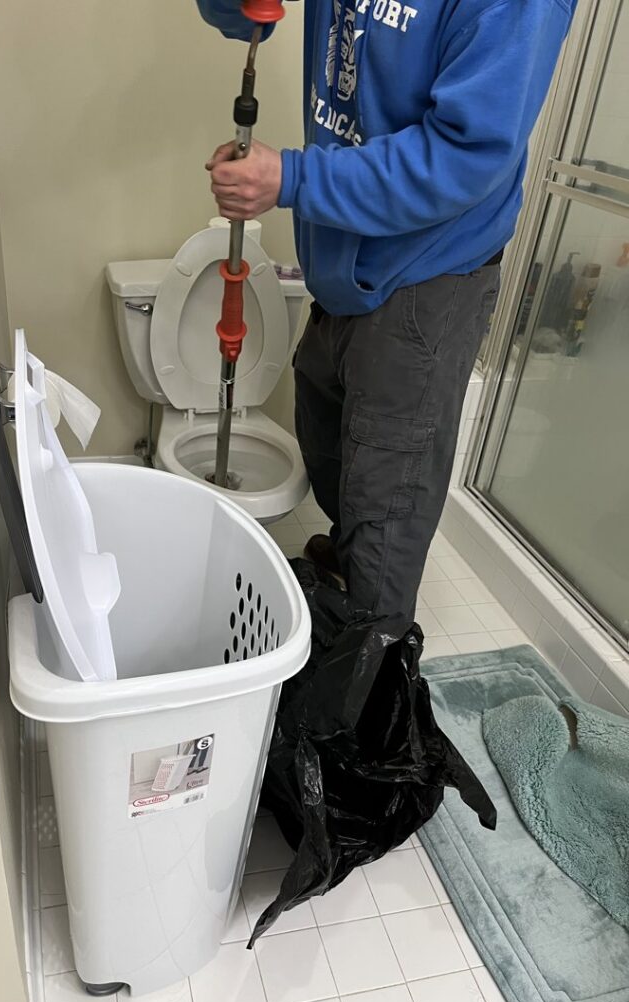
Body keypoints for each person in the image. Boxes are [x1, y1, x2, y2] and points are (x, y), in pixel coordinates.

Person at [196, 0, 575, 636]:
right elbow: (245, 18)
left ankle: (370, 684)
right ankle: (350, 579)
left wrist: (290, 177)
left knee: (386, 511)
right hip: (343, 257)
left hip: (428, 273)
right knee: (328, 449)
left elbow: (466, 156)